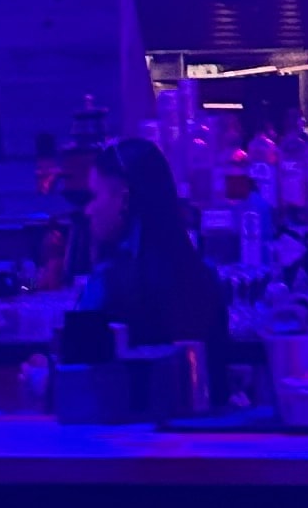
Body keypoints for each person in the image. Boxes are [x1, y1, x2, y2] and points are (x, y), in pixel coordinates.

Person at [75, 136, 231, 362]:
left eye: (94, 196)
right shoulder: (206, 276)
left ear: (124, 198)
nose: (88, 210)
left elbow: (80, 370)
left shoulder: (105, 285)